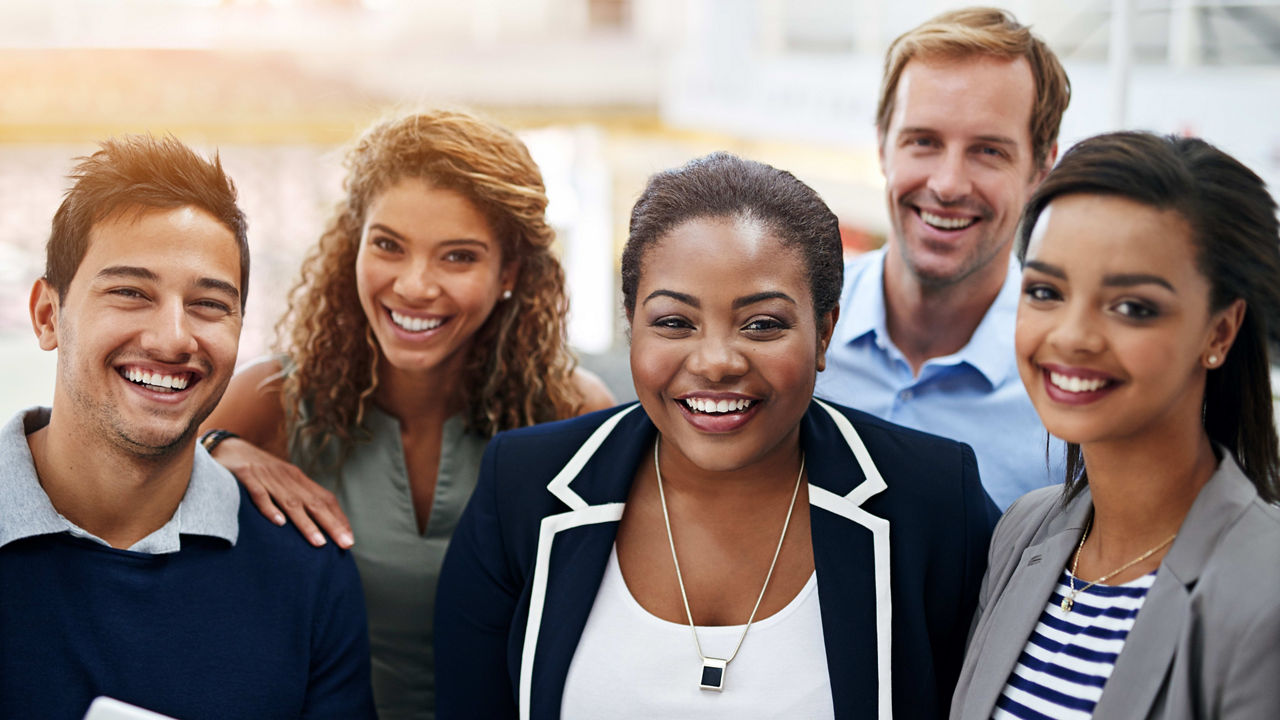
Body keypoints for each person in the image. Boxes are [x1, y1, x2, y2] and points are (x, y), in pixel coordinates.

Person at [435, 152, 999, 719]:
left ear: (824, 332)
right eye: (675, 323)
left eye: (762, 325)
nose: (716, 362)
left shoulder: (933, 500)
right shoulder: (525, 486)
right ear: (631, 324)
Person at [199, 109, 615, 720]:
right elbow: (135, 507)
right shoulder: (270, 401)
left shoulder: (571, 413)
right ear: (353, 246)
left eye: (458, 257)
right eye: (388, 245)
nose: (415, 286)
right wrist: (214, 449)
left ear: (510, 274)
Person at [0, 135, 375, 718]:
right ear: (49, 316)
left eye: (208, 304)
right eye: (130, 292)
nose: (173, 338)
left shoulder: (306, 577)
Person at [950, 132, 1280, 719]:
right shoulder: (1025, 530)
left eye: (1133, 307)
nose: (1073, 336)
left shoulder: (1264, 588)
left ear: (1220, 332)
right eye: (1047, 291)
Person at [814, 7, 1072, 509]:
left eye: (988, 151)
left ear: (1042, 168)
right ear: (883, 146)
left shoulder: (1072, 393)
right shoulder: (791, 331)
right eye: (924, 141)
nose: (948, 184)